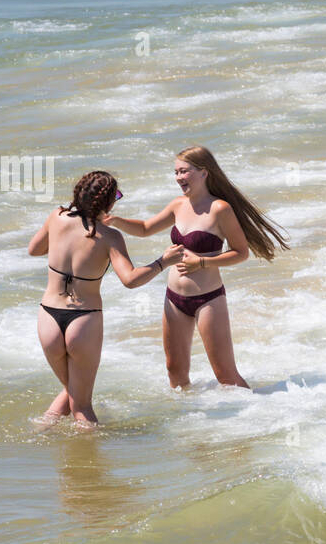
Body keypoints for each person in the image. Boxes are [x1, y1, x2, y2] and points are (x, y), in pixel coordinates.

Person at [104, 145, 289, 389]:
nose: (179, 177)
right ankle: (190, 421)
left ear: (204, 172)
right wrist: (116, 221)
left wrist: (202, 262)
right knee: (175, 373)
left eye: (184, 171)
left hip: (208, 300)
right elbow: (146, 228)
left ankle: (256, 416)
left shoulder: (220, 209)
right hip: (174, 299)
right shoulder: (178, 205)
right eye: (176, 172)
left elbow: (240, 253)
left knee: (225, 375)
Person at [28, 171, 183, 426]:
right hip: (82, 321)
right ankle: (90, 464)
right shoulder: (110, 237)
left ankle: (43, 433)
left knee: (72, 392)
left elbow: (34, 249)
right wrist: (162, 262)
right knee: (82, 407)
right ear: (109, 203)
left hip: (48, 318)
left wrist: (61, 243)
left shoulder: (56, 217)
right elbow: (130, 280)